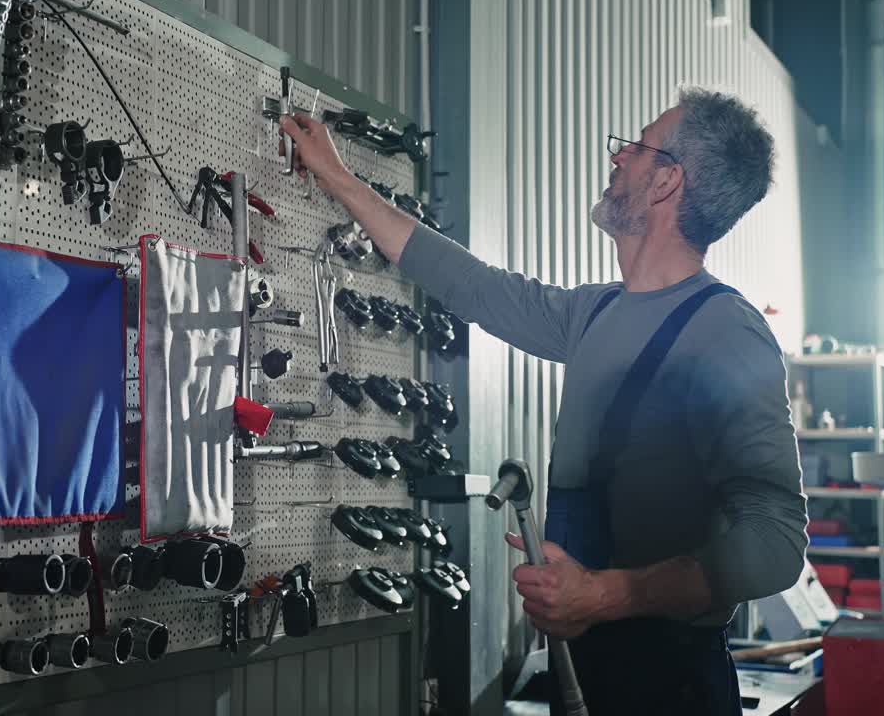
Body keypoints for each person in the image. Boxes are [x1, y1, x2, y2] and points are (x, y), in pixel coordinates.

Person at [279, 86, 808, 715]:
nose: (617, 160)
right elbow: (472, 285)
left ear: (667, 180)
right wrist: (339, 178)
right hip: (588, 670)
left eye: (635, 149)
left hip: (671, 684)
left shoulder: (726, 332)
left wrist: (608, 594)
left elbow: (777, 540)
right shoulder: (596, 312)